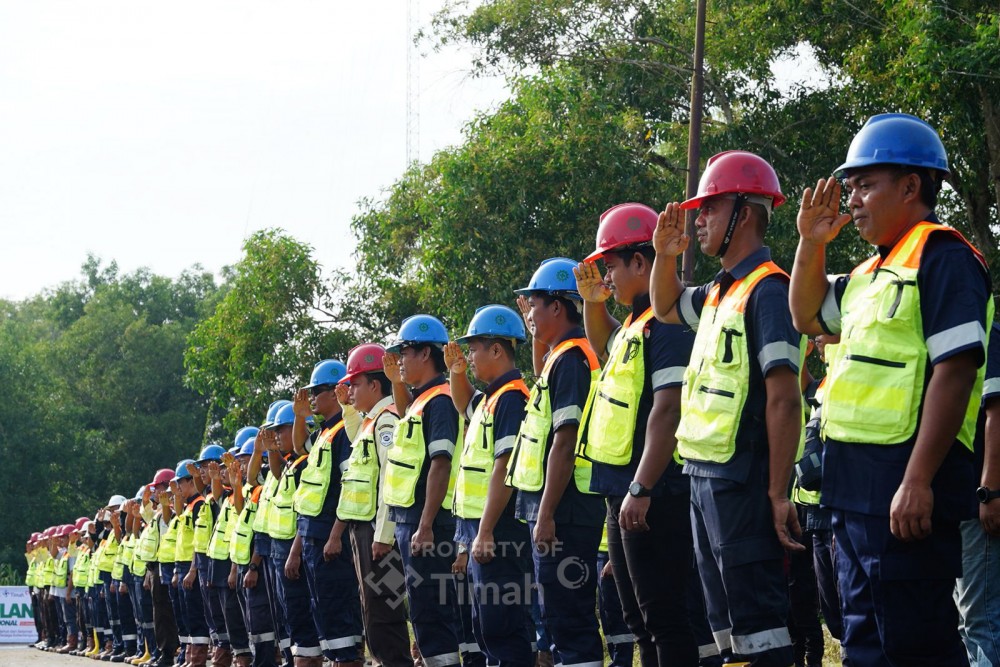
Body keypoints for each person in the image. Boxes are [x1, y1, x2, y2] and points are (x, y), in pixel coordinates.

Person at [788, 113, 993, 666]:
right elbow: (806, 313)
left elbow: (955, 372)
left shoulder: (945, 257)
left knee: (915, 644)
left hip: (903, 491)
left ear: (912, 185)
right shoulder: (866, 275)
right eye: (850, 186)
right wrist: (811, 243)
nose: (852, 199)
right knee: (865, 644)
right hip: (851, 490)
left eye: (866, 185)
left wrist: (918, 481)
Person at [649, 150, 805, 666]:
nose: (698, 221)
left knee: (758, 629)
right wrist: (665, 256)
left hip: (741, 481)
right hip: (703, 475)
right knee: (725, 632)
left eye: (710, 209)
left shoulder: (768, 289)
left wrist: (778, 492)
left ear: (744, 211)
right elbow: (668, 305)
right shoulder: (720, 291)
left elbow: (784, 397)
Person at [575, 202, 708, 666]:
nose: (606, 277)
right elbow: (603, 341)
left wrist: (642, 486)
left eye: (611, 266)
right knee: (638, 619)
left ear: (641, 262)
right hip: (625, 491)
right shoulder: (636, 324)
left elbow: (667, 411)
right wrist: (594, 303)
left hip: (653, 491)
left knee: (664, 618)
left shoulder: (667, 325)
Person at [507, 257, 605, 667]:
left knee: (570, 620)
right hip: (558, 508)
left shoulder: (572, 359)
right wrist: (533, 328)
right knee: (558, 617)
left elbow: (564, 442)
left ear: (559, 307)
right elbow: (538, 366)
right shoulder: (561, 356)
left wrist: (546, 513)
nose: (528, 314)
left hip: (565, 509)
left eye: (534, 305)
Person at [444, 304, 534, 667]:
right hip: (481, 530)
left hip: (498, 530)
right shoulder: (490, 399)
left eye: (475, 348)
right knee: (487, 628)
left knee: (503, 628)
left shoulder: (512, 398)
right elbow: (464, 401)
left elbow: (504, 466)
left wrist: (484, 530)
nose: (470, 356)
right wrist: (456, 372)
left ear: (497, 349)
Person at [383, 314, 465, 667]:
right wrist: (395, 382)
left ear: (426, 354)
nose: (400, 359)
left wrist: (427, 523)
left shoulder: (441, 401)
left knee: (433, 613)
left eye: (406, 352)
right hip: (411, 522)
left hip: (427, 523)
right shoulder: (421, 400)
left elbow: (440, 462)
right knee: (421, 611)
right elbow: (405, 412)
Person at [337, 343, 412, 667]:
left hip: (377, 534)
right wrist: (348, 408)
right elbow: (357, 440)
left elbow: (389, 482)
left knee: (383, 611)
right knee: (373, 610)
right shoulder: (371, 420)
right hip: (365, 531)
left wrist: (384, 534)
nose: (349, 390)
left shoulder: (387, 421)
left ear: (375, 384)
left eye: (354, 384)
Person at [291, 359, 364, 667]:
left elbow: (350, 487)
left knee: (340, 620)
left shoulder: (344, 433)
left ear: (335, 393)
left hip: (330, 538)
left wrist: (336, 534)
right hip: (313, 537)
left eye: (317, 392)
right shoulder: (325, 433)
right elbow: (299, 447)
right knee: (325, 620)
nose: (311, 400)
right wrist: (300, 416)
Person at [956, 322, 1000, 666]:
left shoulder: (989, 336)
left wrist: (989, 492)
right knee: (965, 619)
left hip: (978, 502)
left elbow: (995, 413)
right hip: (958, 502)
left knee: (980, 618)